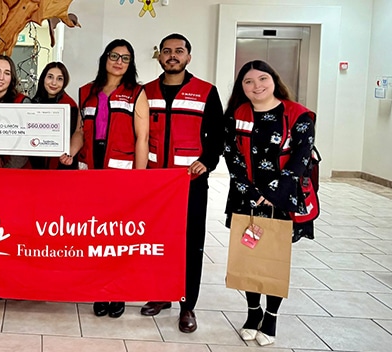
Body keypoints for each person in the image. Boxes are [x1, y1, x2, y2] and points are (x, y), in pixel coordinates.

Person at [223, 60, 316, 346]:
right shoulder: (236, 114)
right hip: (245, 196)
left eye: (263, 79)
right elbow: (231, 155)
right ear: (242, 87)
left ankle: (272, 316)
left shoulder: (298, 115)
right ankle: (253, 312)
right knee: (249, 254)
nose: (257, 86)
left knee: (274, 257)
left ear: (274, 80)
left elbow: (302, 157)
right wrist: (250, 192)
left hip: (283, 198)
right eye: (248, 82)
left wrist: (274, 192)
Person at [139, 33, 225, 333]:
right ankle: (161, 294)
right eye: (166, 51)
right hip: (155, 183)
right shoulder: (146, 92)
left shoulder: (206, 91)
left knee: (190, 244)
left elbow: (218, 136)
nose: (172, 56)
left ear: (188, 57)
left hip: (190, 182)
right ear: (159, 56)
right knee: (157, 241)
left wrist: (209, 161)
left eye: (178, 51)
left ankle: (187, 305)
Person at [75, 39, 149, 318]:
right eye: (114, 55)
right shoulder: (86, 92)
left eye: (125, 58)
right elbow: (81, 132)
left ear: (130, 64)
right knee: (95, 234)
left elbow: (142, 138)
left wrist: (139, 180)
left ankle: (117, 291)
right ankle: (99, 289)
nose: (119, 61)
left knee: (118, 236)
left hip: (122, 176)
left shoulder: (136, 93)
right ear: (104, 58)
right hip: (90, 174)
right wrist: (69, 152)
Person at [30, 62, 81, 170]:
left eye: (59, 79)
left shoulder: (69, 106)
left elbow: (75, 135)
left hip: (61, 166)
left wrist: (68, 156)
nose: (54, 83)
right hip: (36, 167)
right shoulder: (35, 103)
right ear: (43, 78)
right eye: (50, 77)